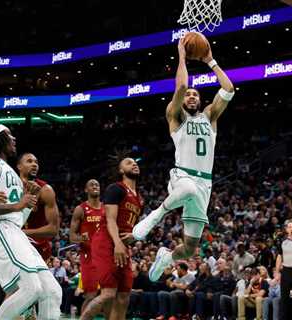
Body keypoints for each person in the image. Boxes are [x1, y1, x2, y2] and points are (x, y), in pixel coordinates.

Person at [132, 36, 235, 281]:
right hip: (182, 176)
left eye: (195, 95)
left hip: (205, 184)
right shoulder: (175, 117)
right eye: (188, 95)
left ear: (200, 101)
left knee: (190, 247)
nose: (190, 96)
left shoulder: (210, 117)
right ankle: (155, 215)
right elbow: (179, 88)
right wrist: (181, 55)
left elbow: (229, 89)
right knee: (187, 188)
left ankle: (166, 256)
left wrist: (210, 60)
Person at [0, 124, 62, 320]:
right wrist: (16, 206)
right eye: (9, 135)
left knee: (53, 292)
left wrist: (26, 206)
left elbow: (17, 219)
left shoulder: (9, 170)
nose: (14, 139)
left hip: (12, 230)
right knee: (31, 289)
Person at [81, 158, 144, 320]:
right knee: (108, 293)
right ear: (121, 171)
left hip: (122, 246)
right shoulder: (115, 189)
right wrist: (117, 244)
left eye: (135, 162)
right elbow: (110, 219)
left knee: (124, 296)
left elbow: (131, 228)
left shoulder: (139, 199)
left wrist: (133, 236)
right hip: (106, 243)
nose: (134, 164)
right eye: (129, 163)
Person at [69, 179, 105, 315]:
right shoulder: (81, 209)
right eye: (92, 185)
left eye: (97, 184)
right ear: (86, 190)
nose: (95, 186)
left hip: (104, 256)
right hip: (88, 257)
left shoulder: (105, 208)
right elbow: (72, 236)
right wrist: (81, 238)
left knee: (108, 294)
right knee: (91, 295)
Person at [18, 153, 60, 261]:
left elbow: (53, 229)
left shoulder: (46, 190)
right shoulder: (10, 187)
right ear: (19, 166)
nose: (34, 165)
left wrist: (22, 233)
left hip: (38, 248)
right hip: (14, 244)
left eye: (36, 162)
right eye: (29, 161)